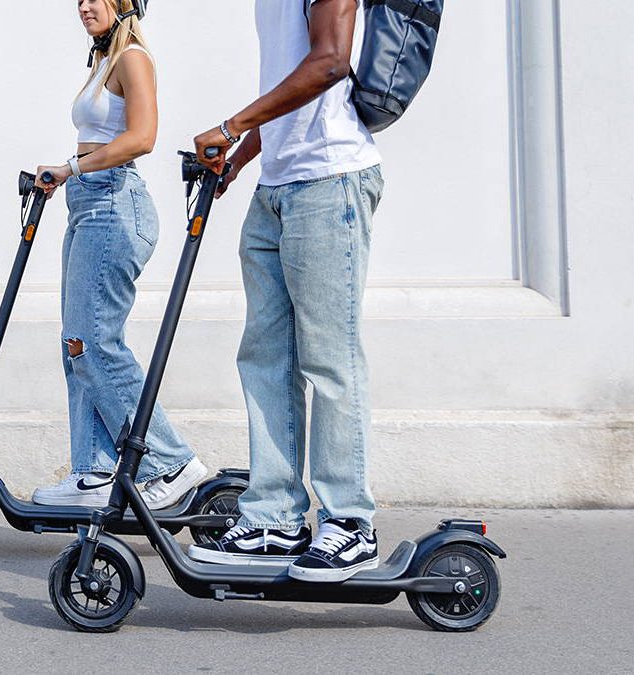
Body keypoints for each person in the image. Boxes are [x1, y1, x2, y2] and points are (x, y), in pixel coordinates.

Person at [188, 0, 384, 582]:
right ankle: (275, 516)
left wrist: (232, 127)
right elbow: (287, 89)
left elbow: (330, 63)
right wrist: (242, 158)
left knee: (330, 359)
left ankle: (351, 522)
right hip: (276, 187)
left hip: (330, 181)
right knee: (266, 357)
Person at [31, 0, 207, 509]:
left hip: (113, 203)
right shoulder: (102, 60)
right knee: (77, 343)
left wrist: (69, 166)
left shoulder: (132, 56)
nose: (83, 5)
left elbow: (143, 137)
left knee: (95, 342)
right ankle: (93, 472)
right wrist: (66, 176)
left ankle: (171, 462)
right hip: (88, 203)